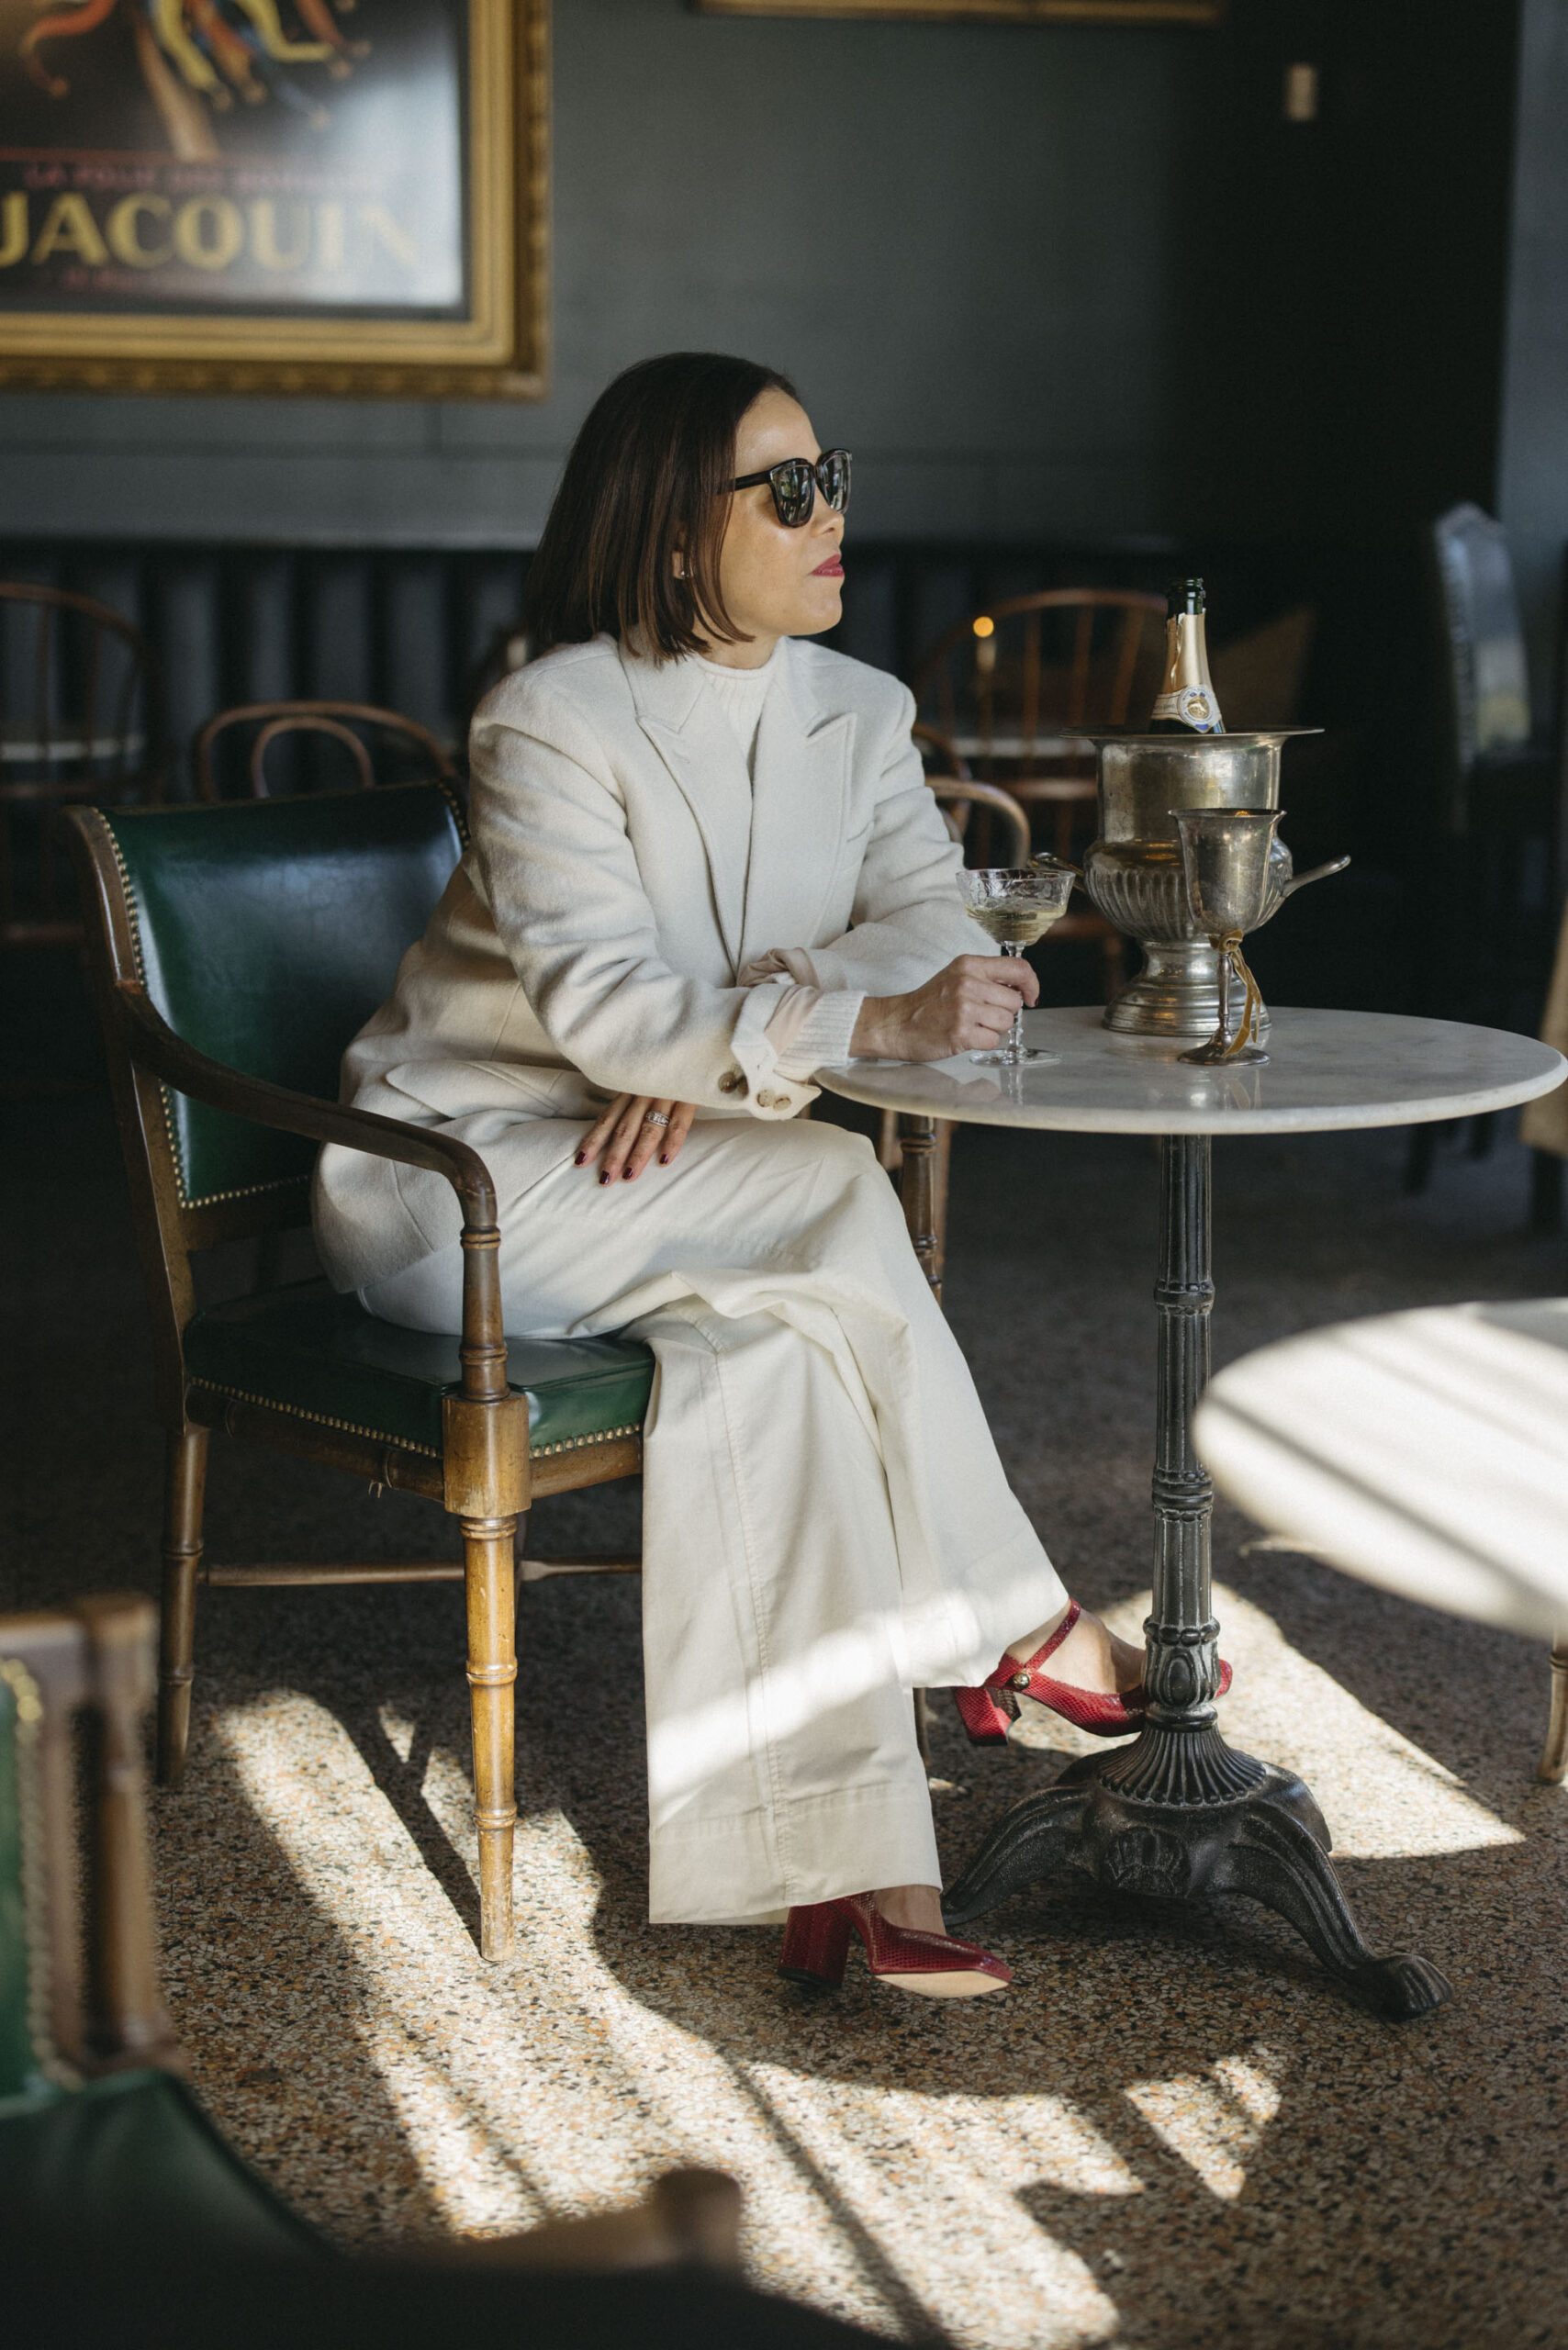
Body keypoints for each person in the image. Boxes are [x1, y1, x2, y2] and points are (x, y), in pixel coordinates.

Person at [313, 352, 1208, 2001]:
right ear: (670, 532)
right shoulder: (551, 715)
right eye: (786, 488)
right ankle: (1009, 1624)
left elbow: (934, 931)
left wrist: (739, 1030)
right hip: (473, 1183)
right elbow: (604, 1010)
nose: (832, 514)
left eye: (833, 475)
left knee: (786, 1357)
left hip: (680, 1155)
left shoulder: (859, 708)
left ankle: (842, 1871)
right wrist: (742, 1035)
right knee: (833, 1191)